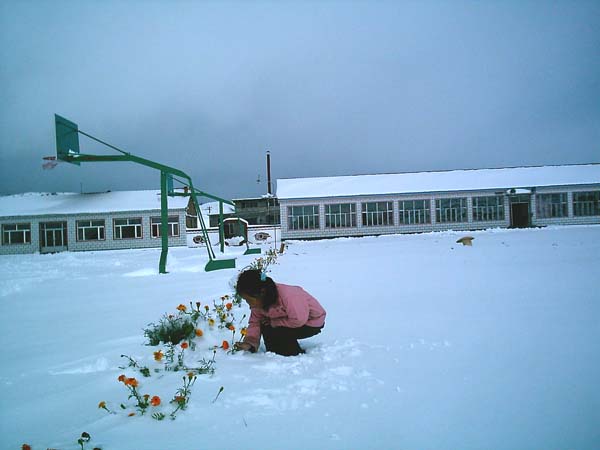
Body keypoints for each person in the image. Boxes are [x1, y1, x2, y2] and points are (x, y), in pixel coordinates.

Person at [234, 269, 326, 356]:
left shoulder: (290, 296)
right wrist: (249, 343)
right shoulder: (258, 303)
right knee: (266, 325)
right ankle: (276, 353)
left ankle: (292, 356)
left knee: (277, 331)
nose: (248, 303)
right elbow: (255, 322)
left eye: (249, 300)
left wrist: (275, 322)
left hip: (310, 323)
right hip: (288, 321)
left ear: (261, 292)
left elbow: (298, 320)